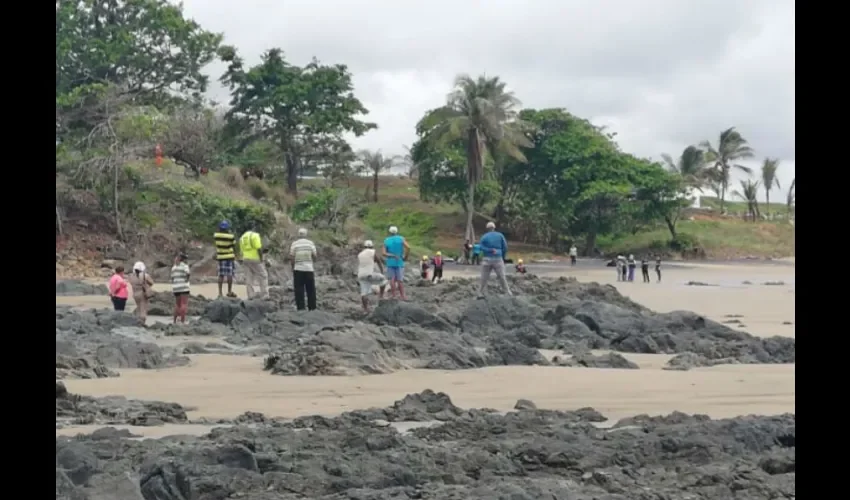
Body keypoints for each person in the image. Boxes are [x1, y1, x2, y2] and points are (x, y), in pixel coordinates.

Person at [478, 221, 512, 298]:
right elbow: (505, 247)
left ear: (487, 228)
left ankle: (480, 293)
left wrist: (489, 250)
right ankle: (508, 292)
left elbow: (481, 247)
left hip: (487, 259)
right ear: (494, 227)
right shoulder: (500, 235)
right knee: (502, 276)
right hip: (498, 258)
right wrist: (502, 256)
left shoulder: (484, 236)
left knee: (484, 277)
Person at [290, 228, 318, 311]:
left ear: (298, 235)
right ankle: (312, 307)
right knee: (311, 289)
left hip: (298, 268)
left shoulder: (294, 244)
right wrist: (312, 261)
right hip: (309, 268)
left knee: (299, 289)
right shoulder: (310, 243)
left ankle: (300, 307)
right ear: (306, 234)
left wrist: (293, 267)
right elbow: (315, 255)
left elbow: (292, 257)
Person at [357, 240, 388, 312]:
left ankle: (365, 309)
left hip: (361, 275)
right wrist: (382, 272)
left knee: (364, 293)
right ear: (372, 247)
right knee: (383, 280)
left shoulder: (360, 254)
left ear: (364, 247)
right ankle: (381, 296)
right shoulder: (372, 252)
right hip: (369, 274)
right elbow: (379, 261)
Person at [239, 226, 269, 299]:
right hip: (255, 258)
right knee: (263, 275)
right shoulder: (255, 235)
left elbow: (241, 251)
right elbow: (258, 248)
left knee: (249, 277)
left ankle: (250, 295)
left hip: (245, 258)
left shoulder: (242, 237)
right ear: (253, 229)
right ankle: (264, 295)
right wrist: (261, 258)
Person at [382, 225, 410, 300]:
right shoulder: (401, 239)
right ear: (397, 232)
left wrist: (392, 255)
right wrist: (406, 257)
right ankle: (403, 296)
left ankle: (394, 295)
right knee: (400, 280)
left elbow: (384, 253)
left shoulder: (386, 240)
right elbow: (408, 247)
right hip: (399, 262)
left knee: (392, 280)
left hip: (390, 262)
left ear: (389, 232)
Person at [214, 221, 237, 298]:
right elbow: (233, 245)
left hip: (220, 257)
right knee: (229, 274)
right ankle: (229, 291)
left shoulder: (216, 235)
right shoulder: (230, 236)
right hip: (229, 257)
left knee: (221, 275)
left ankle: (220, 293)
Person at [171, 253, 191, 324]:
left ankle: (174, 321)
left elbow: (172, 278)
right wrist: (187, 279)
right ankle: (182, 321)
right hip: (184, 287)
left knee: (177, 304)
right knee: (184, 304)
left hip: (176, 288)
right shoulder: (185, 266)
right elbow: (188, 273)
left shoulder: (174, 267)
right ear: (184, 259)